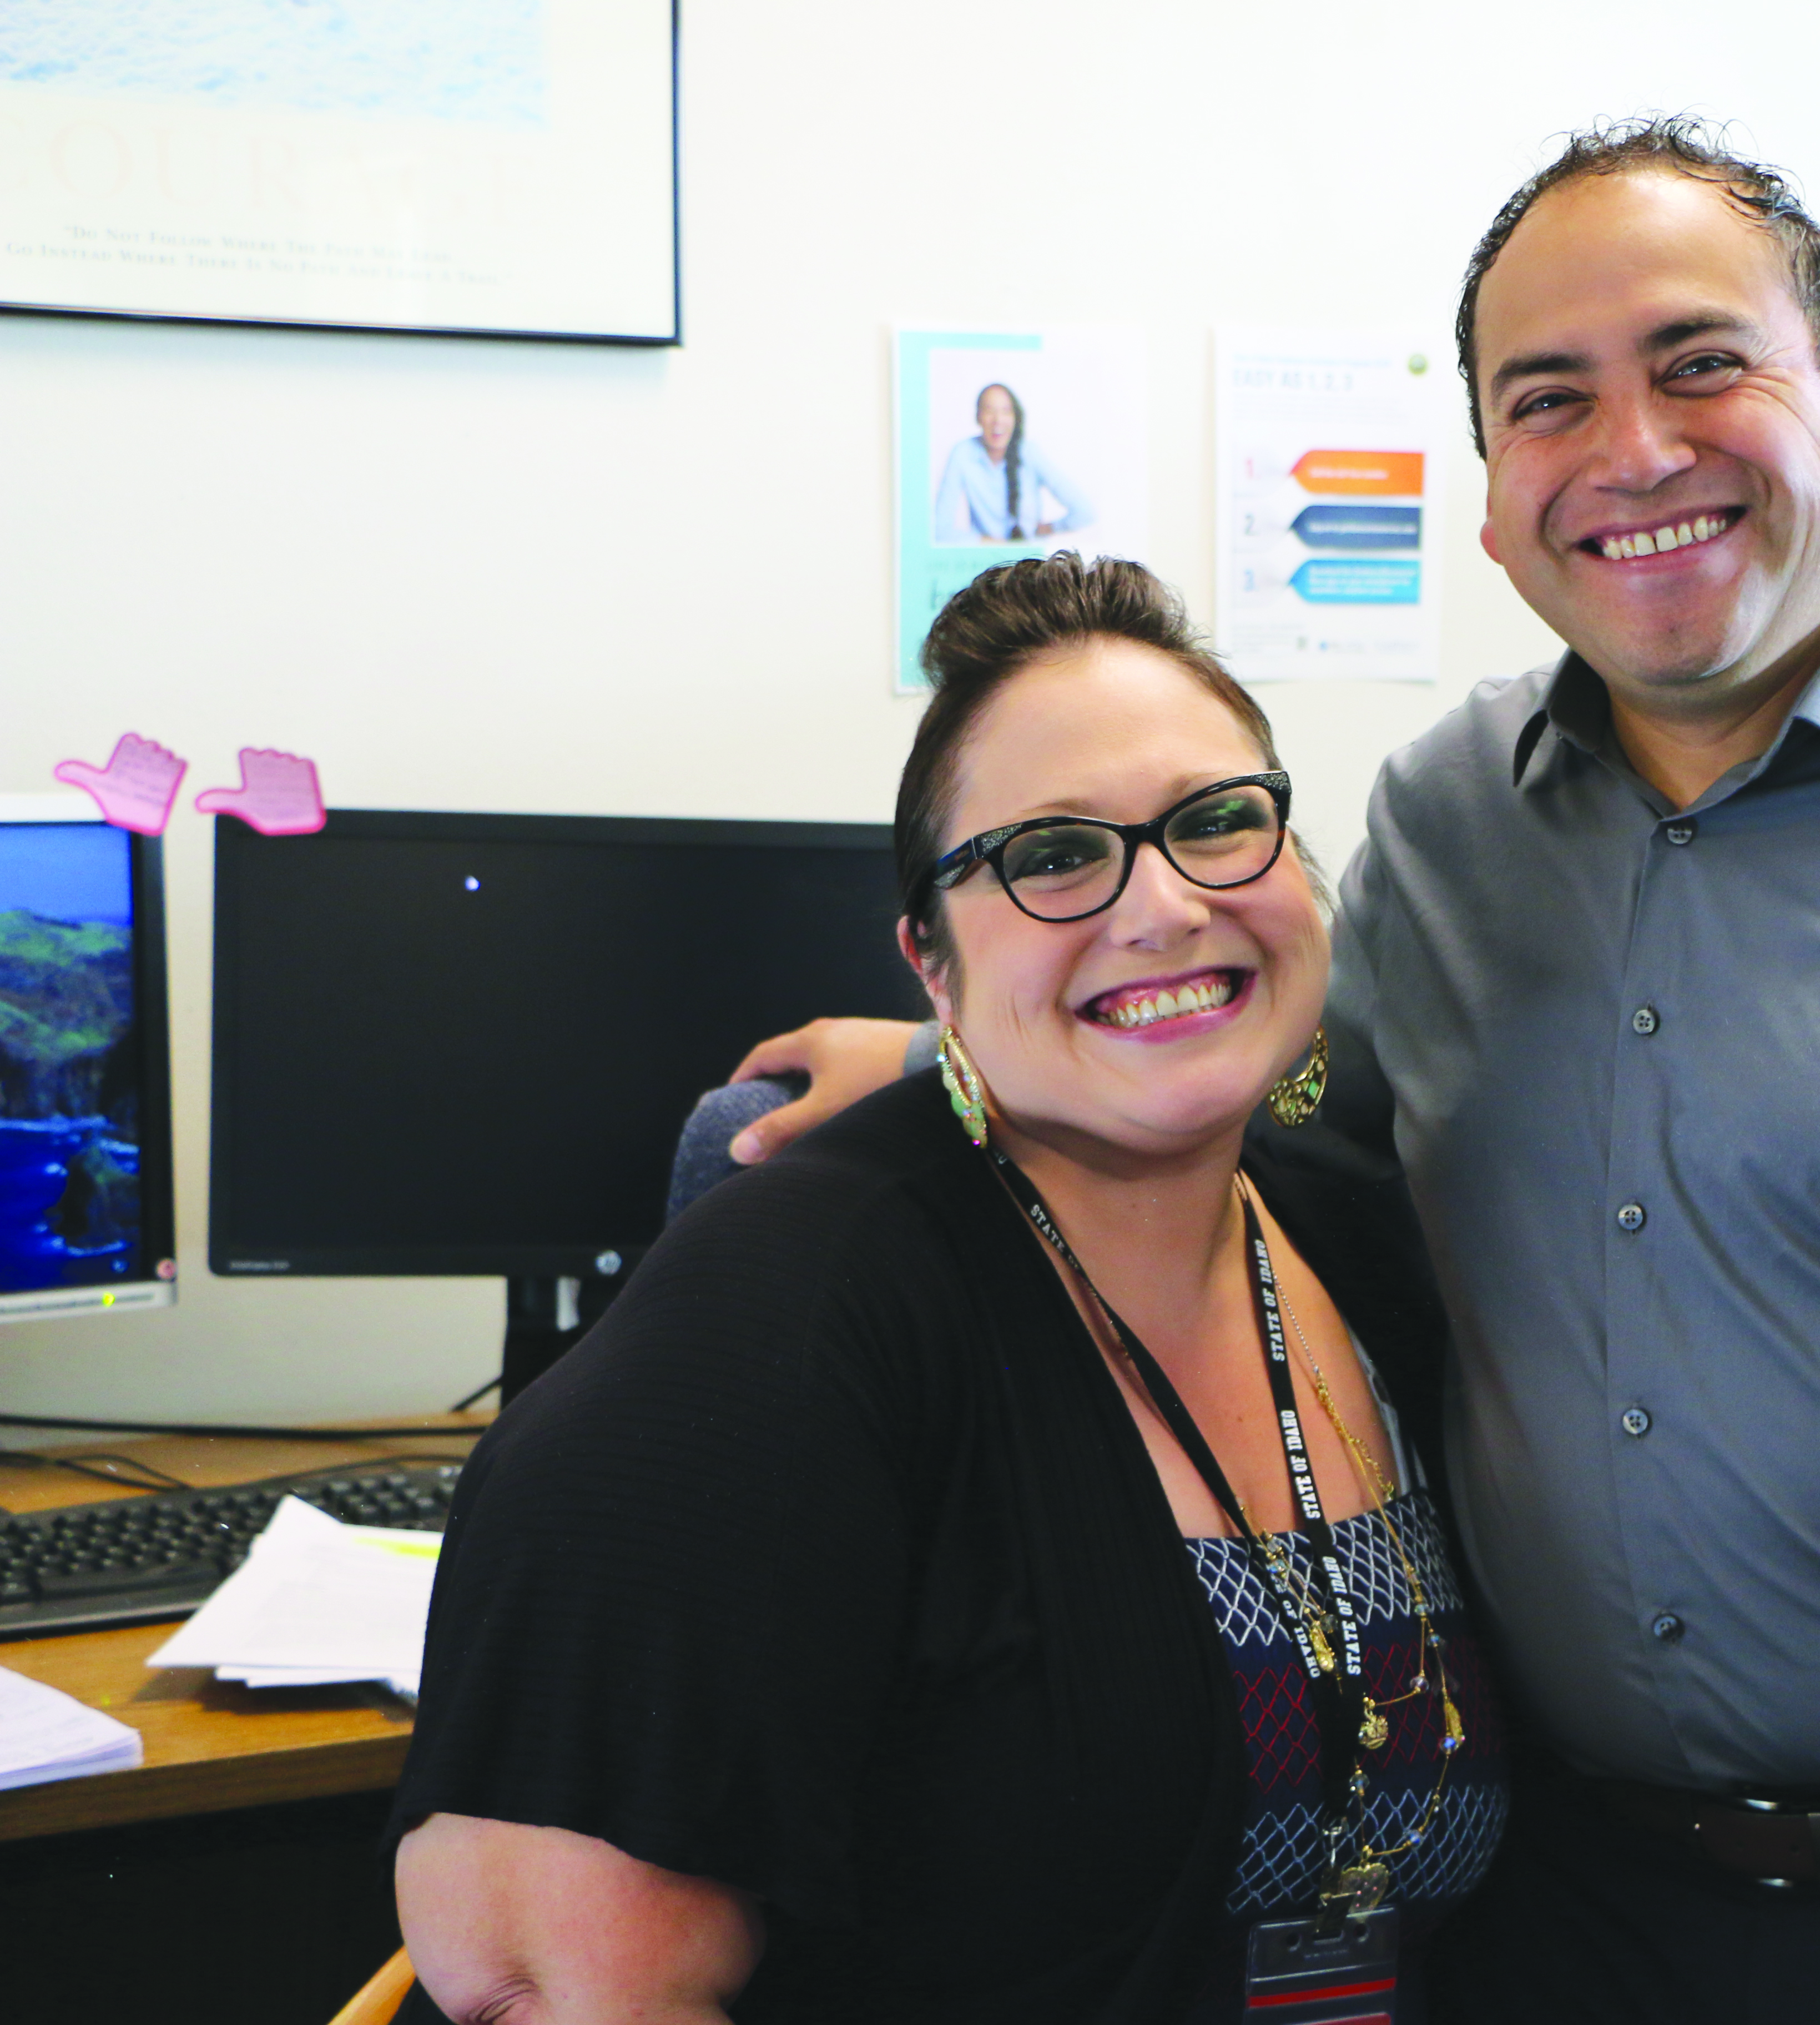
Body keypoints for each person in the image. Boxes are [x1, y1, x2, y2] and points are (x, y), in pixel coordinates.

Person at [730, 117, 1820, 2025]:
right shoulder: (1448, 820)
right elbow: (1298, 1142)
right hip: (1571, 1911)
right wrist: (972, 1058)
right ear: (1495, 502)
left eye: (1701, 361)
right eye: (1549, 399)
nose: (1635, 451)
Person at [391, 555, 1506, 2023]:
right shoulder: (775, 1329)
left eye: (1216, 822)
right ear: (932, 960)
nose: (1166, 905)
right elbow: (551, 1982)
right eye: (1055, 855)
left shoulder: (1361, 1232)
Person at [933, 380, 1087, 543]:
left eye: (1006, 411)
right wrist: (992, 545)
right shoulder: (963, 453)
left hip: (1030, 556)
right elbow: (939, 530)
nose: (998, 419)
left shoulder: (1030, 453)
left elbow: (1085, 512)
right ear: (978, 417)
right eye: (989, 411)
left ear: (1015, 418)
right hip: (986, 557)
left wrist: (1049, 528)